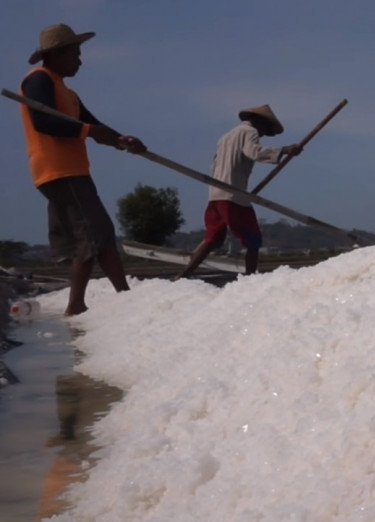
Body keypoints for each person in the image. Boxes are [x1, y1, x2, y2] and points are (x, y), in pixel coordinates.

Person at [18, 23, 146, 316]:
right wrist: (89, 131)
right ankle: (100, 301)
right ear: (57, 54)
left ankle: (83, 303)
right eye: (74, 53)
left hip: (70, 170)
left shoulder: (67, 92)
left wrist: (120, 140)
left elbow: (90, 123)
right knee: (96, 234)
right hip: (60, 170)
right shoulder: (38, 80)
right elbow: (44, 122)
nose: (80, 60)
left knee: (89, 236)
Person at [174, 105, 301, 279]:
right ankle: (250, 279)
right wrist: (284, 150)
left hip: (215, 195)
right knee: (253, 240)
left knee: (212, 239)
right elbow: (254, 152)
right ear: (259, 121)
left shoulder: (225, 137)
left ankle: (182, 276)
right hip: (233, 196)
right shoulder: (249, 132)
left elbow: (215, 165)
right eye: (265, 129)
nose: (263, 134)